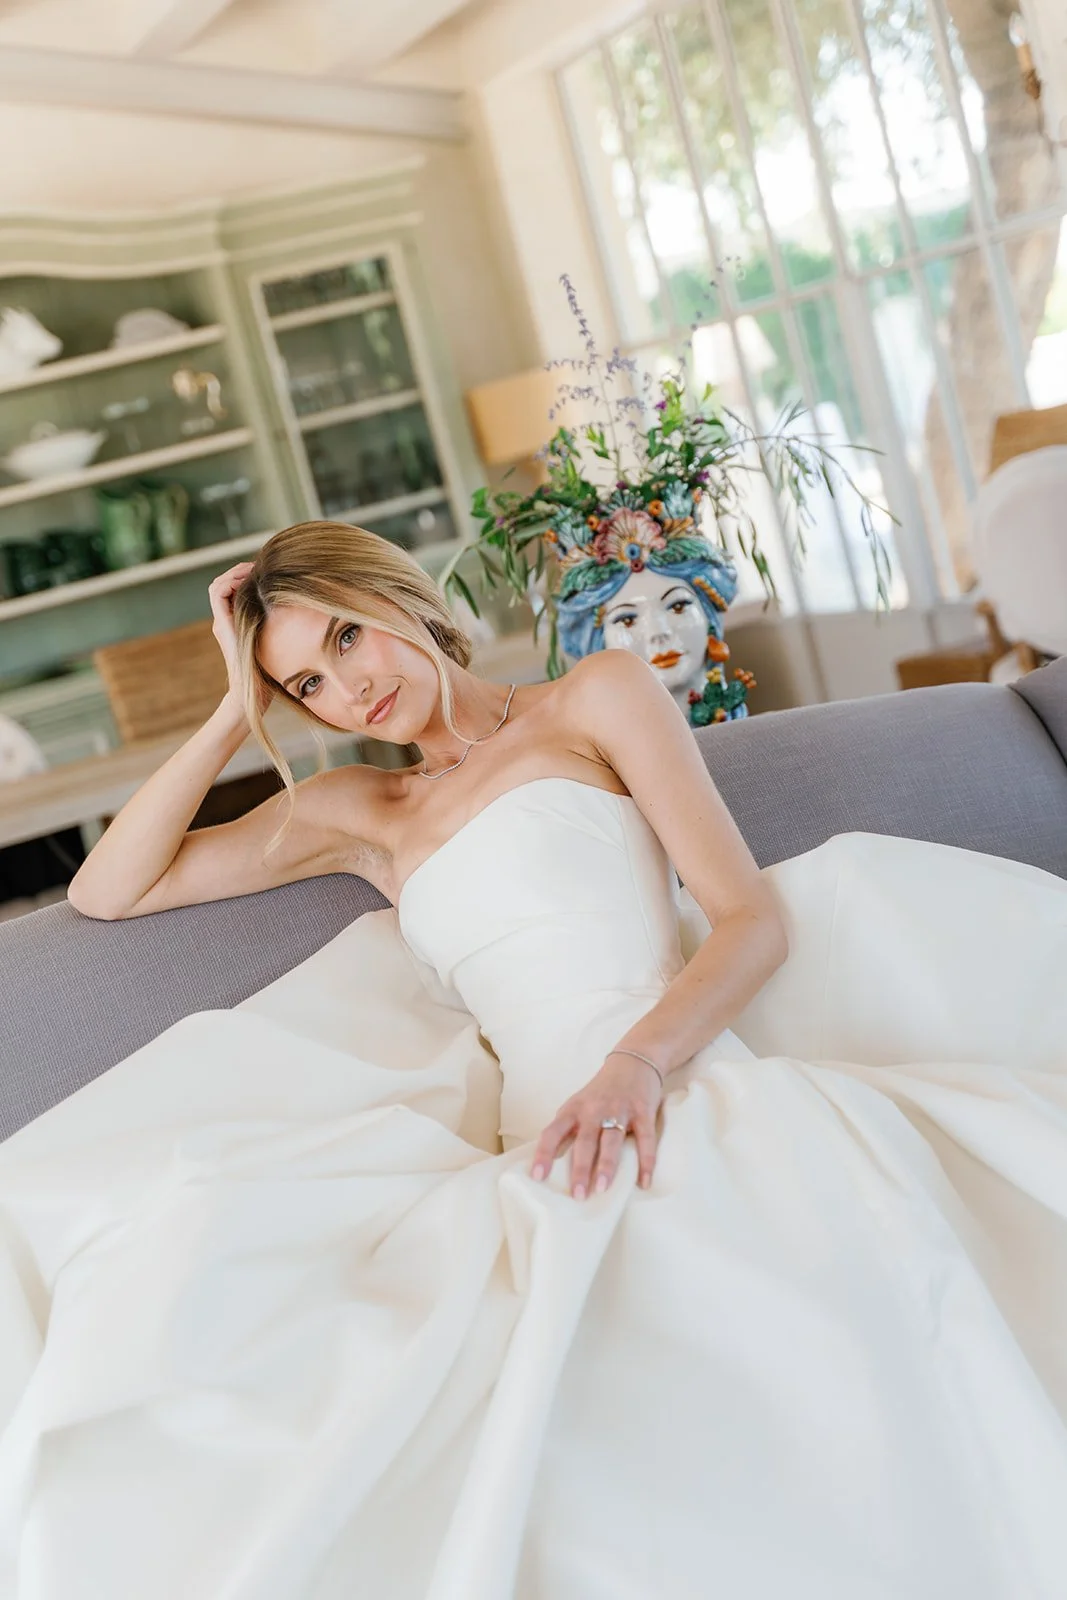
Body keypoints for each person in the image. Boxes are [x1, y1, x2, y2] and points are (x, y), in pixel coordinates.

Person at [2, 519, 1067, 1600]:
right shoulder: (364, 812)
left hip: (682, 1082)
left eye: (346, 637)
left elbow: (751, 921)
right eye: (306, 685)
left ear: (398, 599)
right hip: (538, 1162)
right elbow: (108, 889)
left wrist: (636, 1065)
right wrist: (237, 703)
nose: (348, 690)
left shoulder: (594, 698)